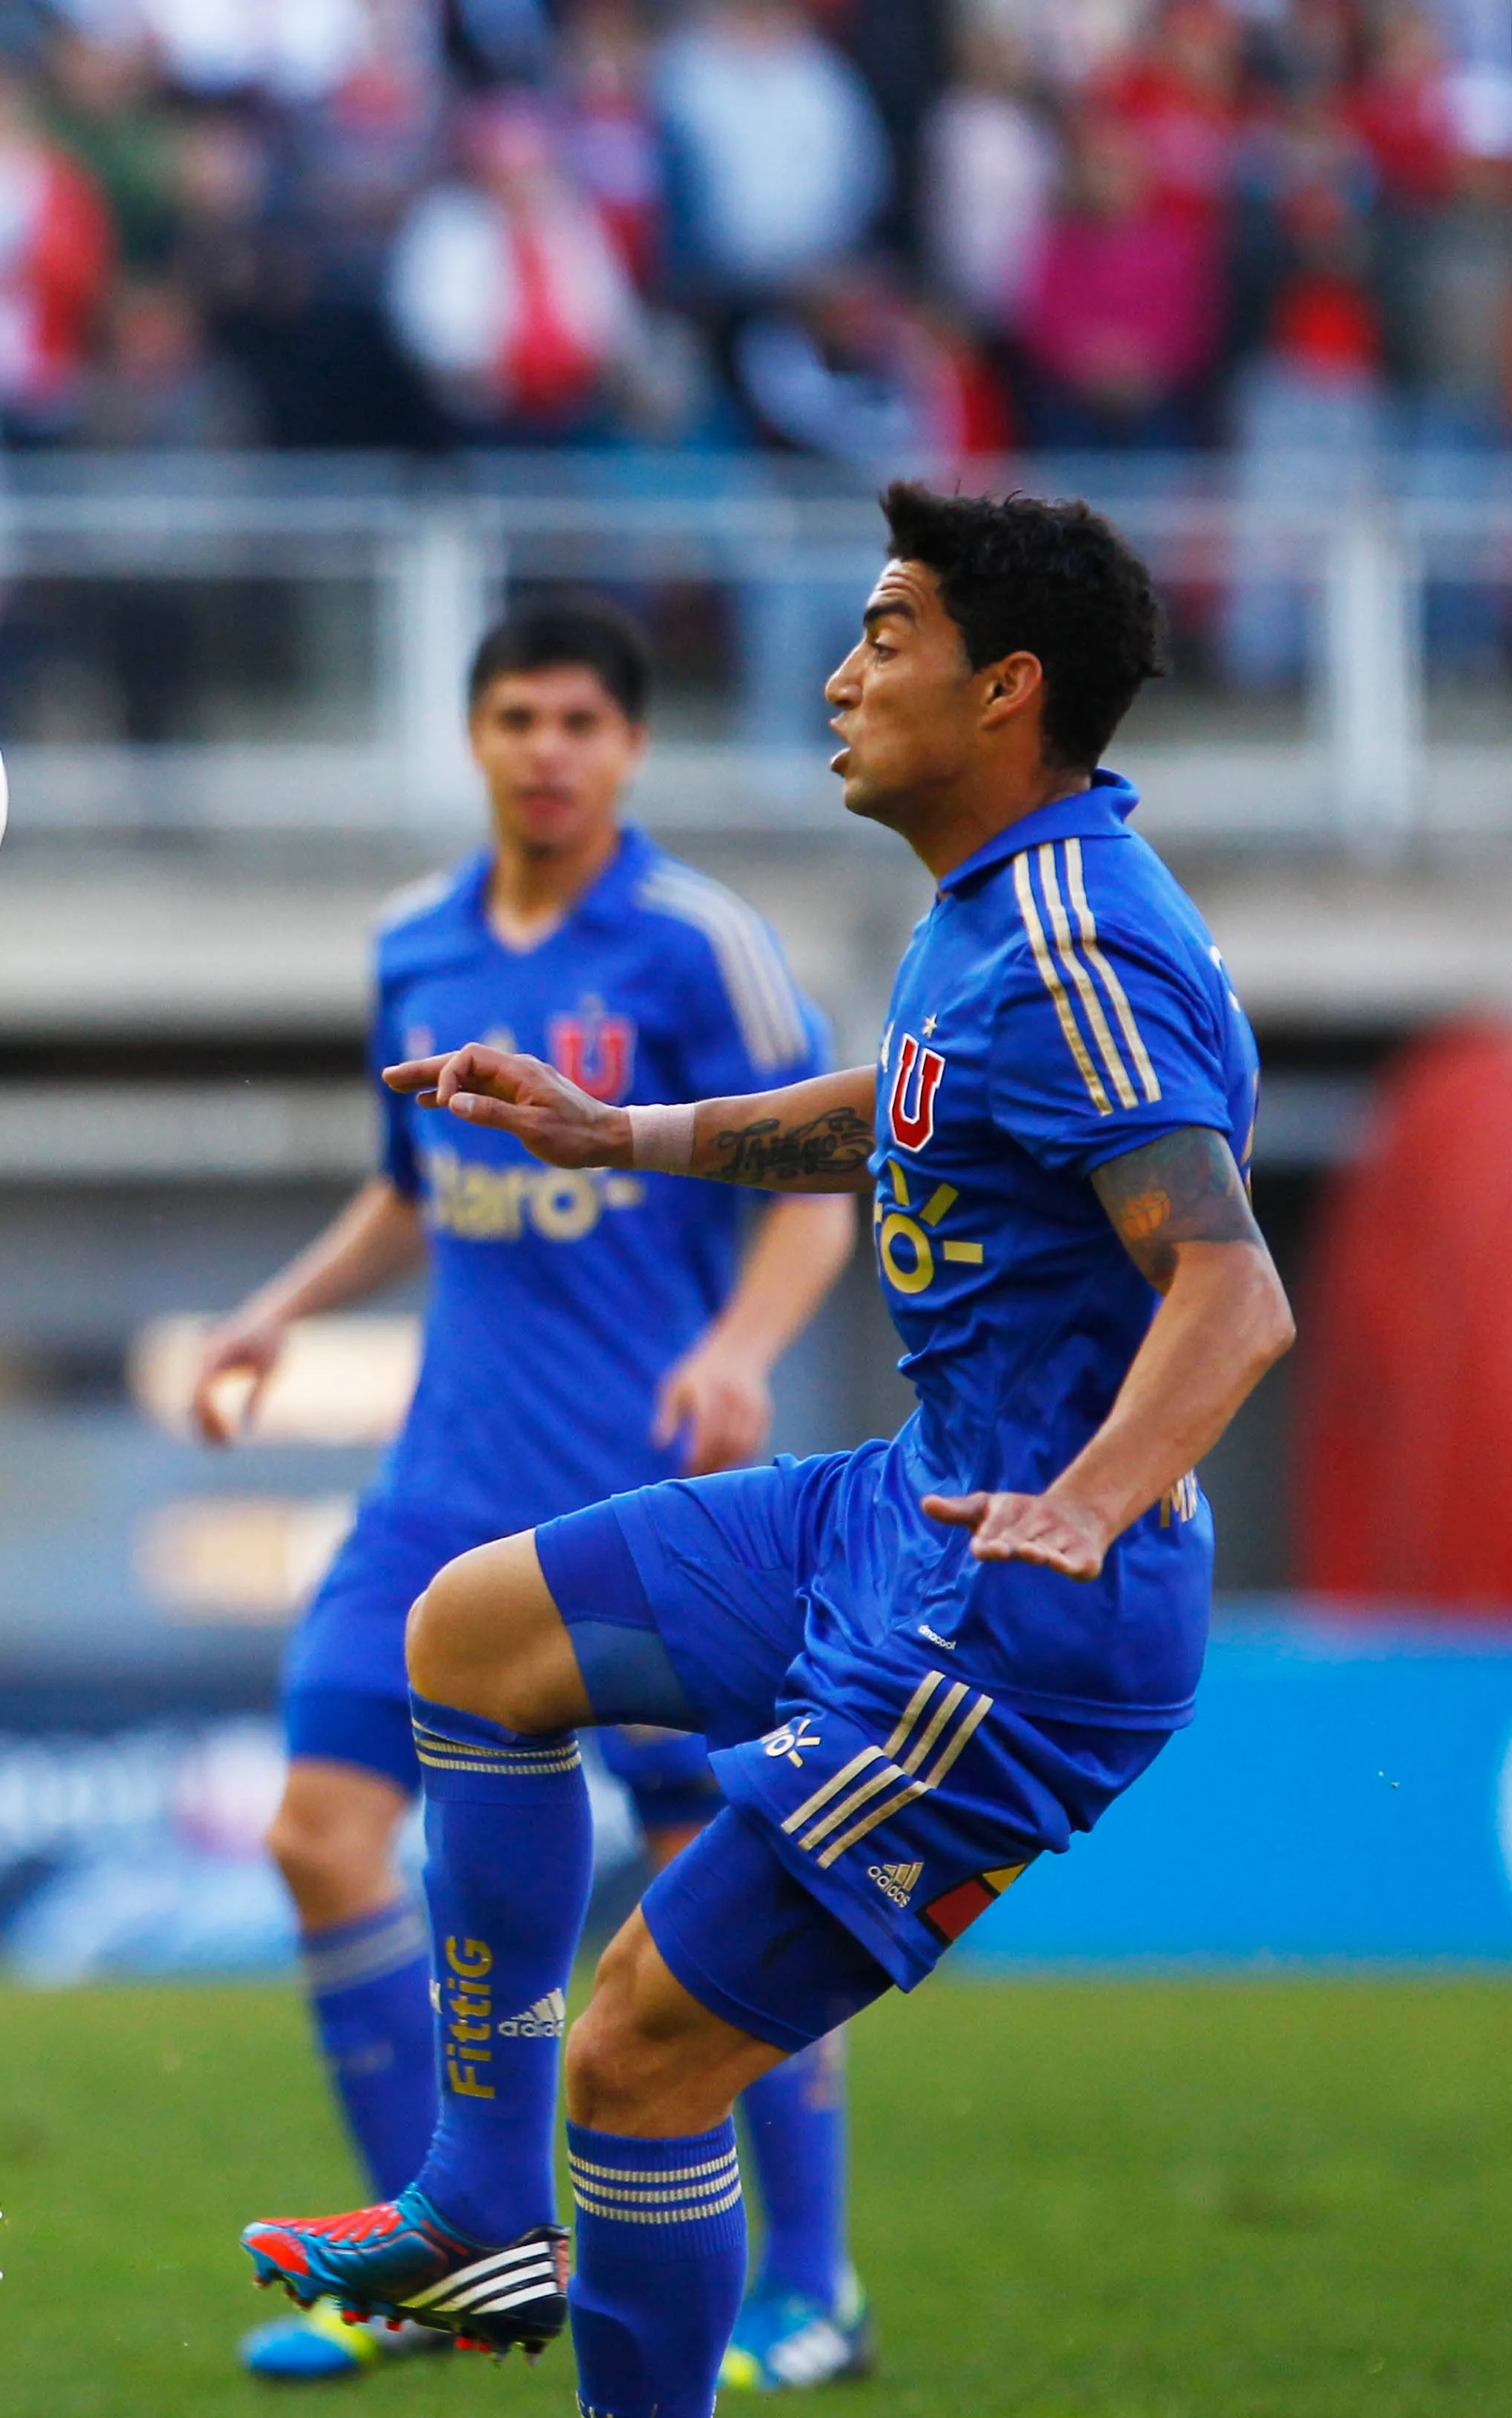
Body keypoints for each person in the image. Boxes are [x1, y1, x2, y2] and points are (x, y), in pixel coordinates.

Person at [242, 487, 1289, 2418]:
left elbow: (1231, 1292)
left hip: (1017, 1609)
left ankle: (716, 2284)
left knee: (639, 2053)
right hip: (907, 1502)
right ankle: (476, 2211)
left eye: (886, 633)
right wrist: (619, 1137)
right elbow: (901, 1116)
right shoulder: (1002, 904)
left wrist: (1087, 1493)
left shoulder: (1074, 944)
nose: (840, 670)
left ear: (1007, 689)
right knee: (476, 1636)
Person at [189, 598, 862, 2388]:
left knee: (708, 1888)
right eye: (515, 718)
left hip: (633, 1496)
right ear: (473, 737)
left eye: (579, 720)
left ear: (627, 747)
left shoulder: (694, 944)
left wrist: (734, 1347)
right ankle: (447, 2264)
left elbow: (815, 1175)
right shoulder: (412, 943)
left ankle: (813, 2283)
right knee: (316, 1834)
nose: (546, 749)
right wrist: (274, 1309)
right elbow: (414, 1183)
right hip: (436, 1493)